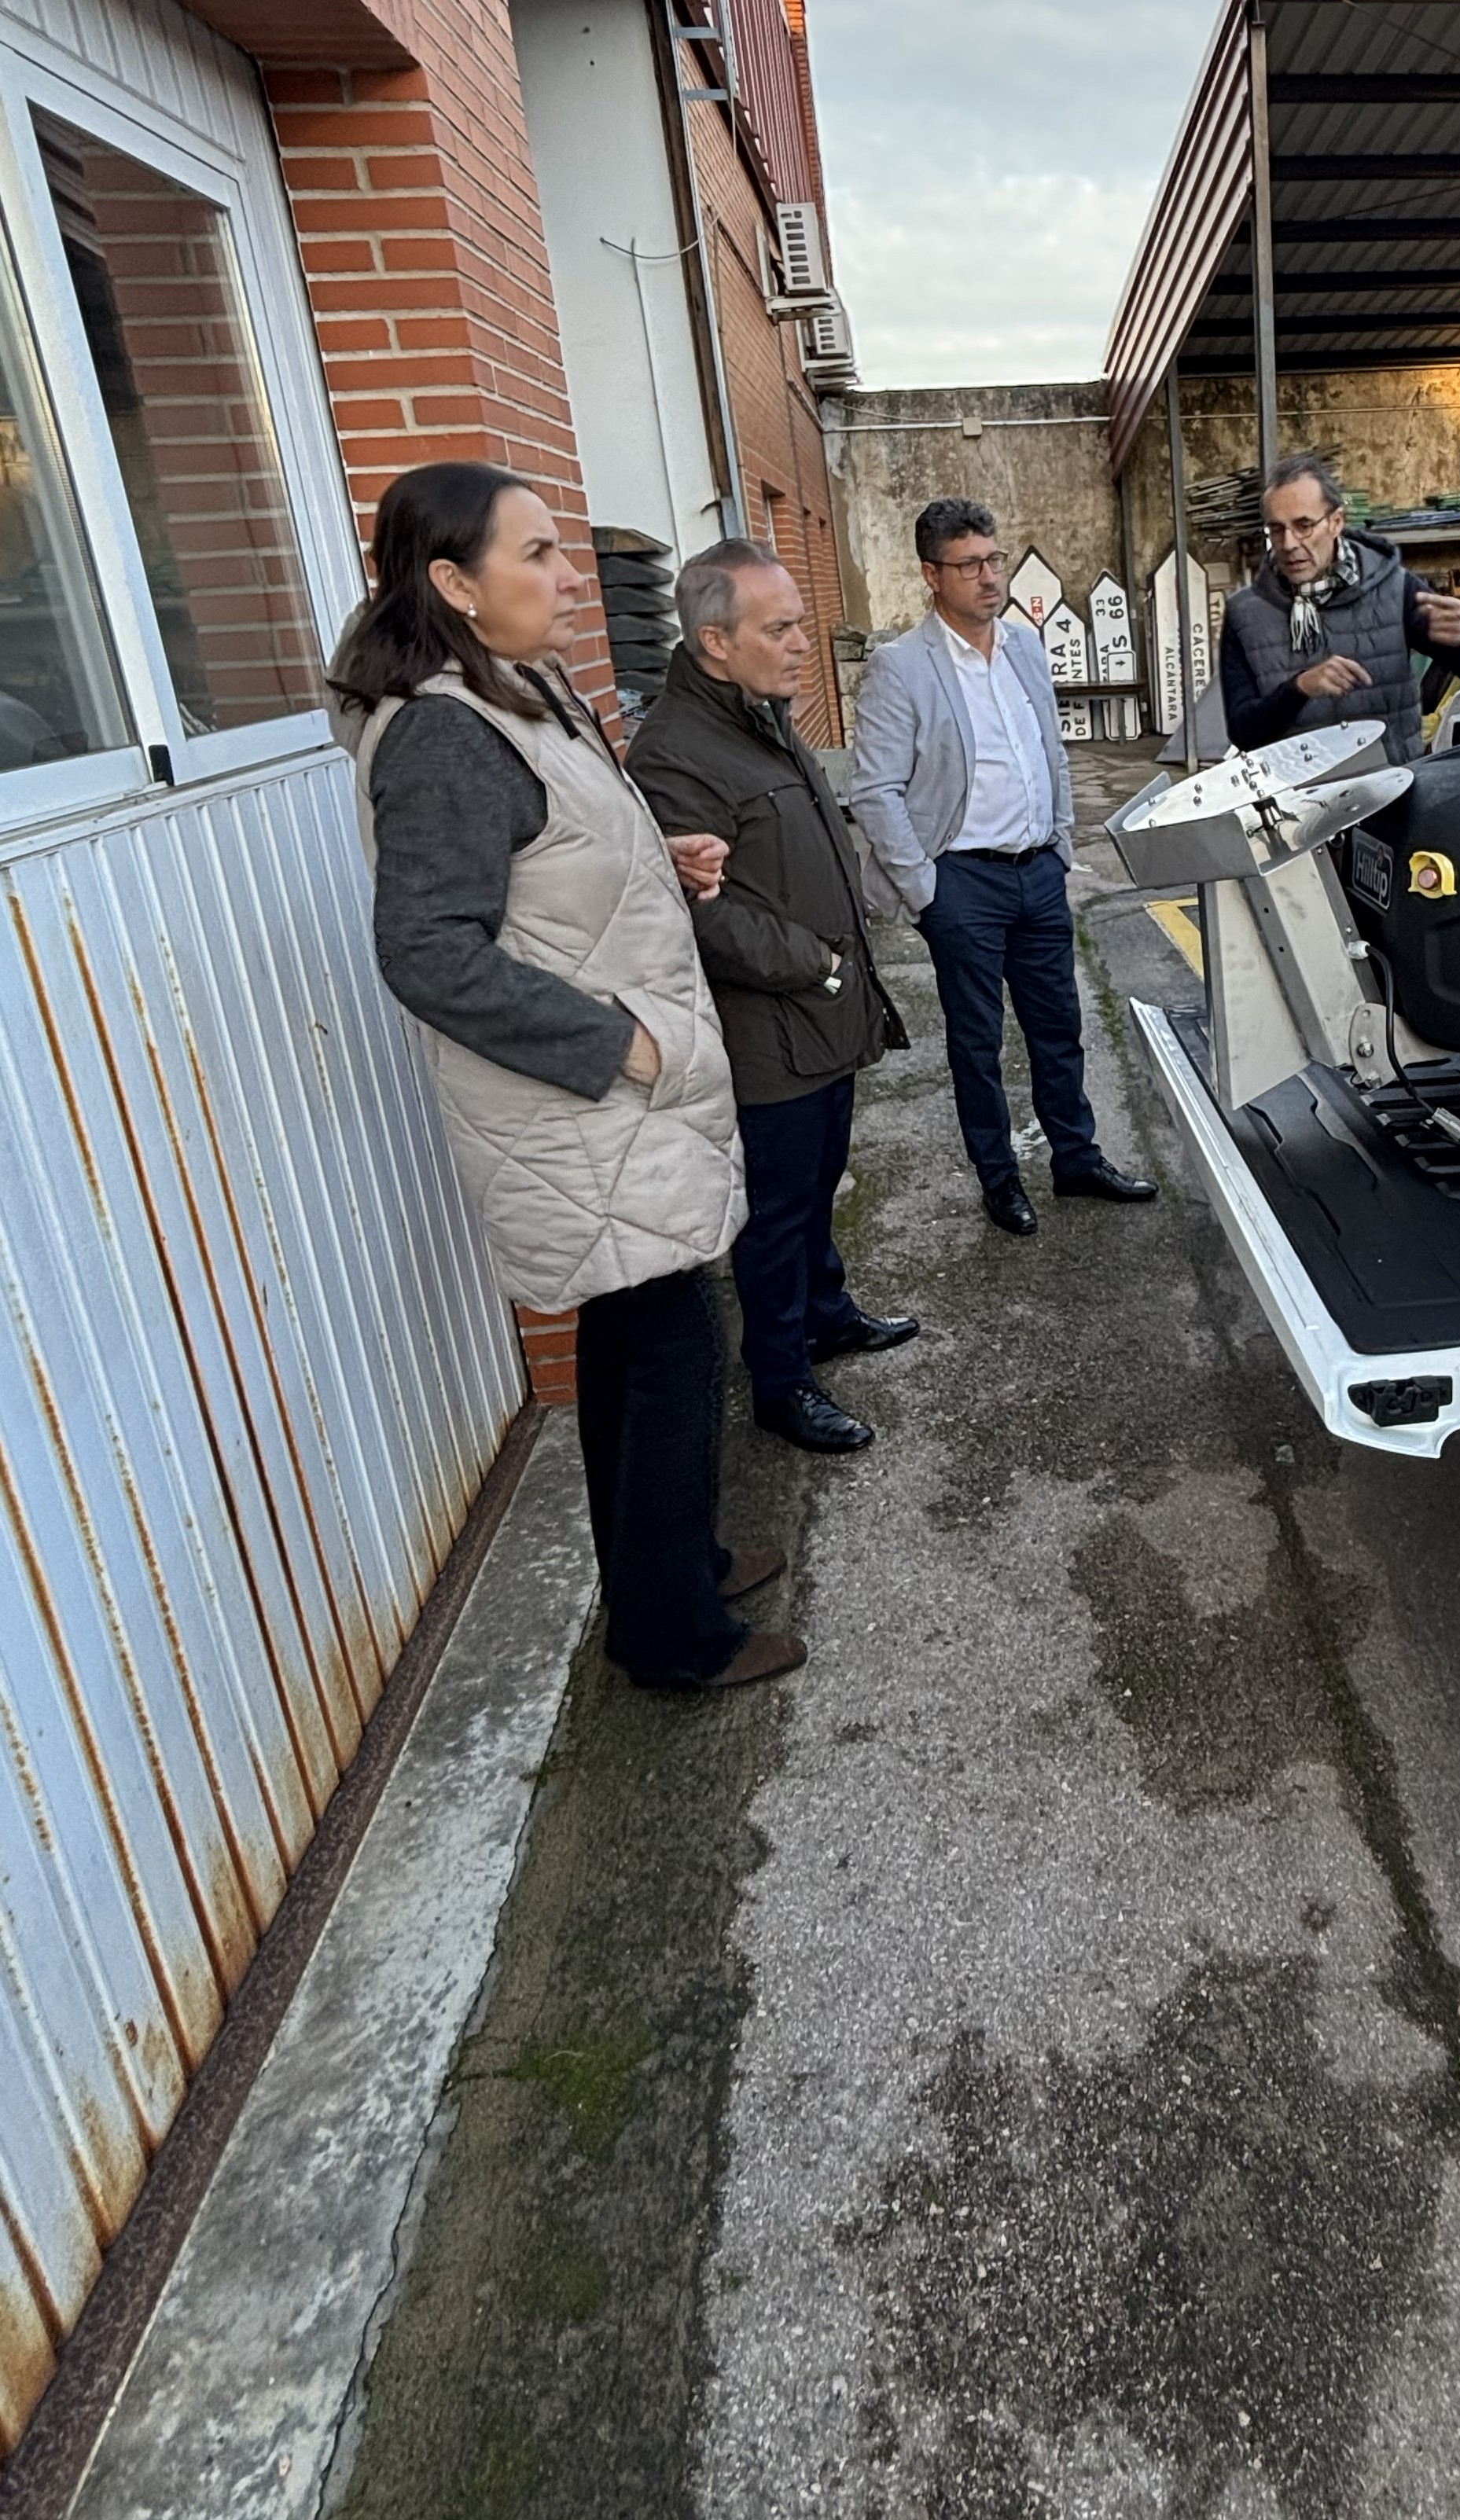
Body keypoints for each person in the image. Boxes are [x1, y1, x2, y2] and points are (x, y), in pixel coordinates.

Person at [331, 461, 800, 1693]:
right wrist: (618, 1045)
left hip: (612, 1112)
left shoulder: (518, 689)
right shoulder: (444, 733)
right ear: (455, 584)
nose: (569, 575)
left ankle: (675, 1571)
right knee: (671, 1353)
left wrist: (659, 858)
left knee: (637, 1346)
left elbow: (553, 864)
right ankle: (673, 1637)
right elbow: (428, 951)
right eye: (535, 553)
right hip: (587, 1106)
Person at [626, 538, 914, 1458]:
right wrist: (814, 963)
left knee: (819, 1181)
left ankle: (827, 1314)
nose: (800, 644)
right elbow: (695, 910)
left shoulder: (759, 715)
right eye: (779, 628)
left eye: (799, 624)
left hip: (822, 1014)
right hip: (770, 1029)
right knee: (778, 1213)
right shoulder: (677, 752)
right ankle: (782, 1384)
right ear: (716, 641)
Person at [849, 497, 1156, 1236]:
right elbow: (875, 791)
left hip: (1038, 873)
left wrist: (1061, 842)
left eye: (995, 560)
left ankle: (1076, 1159)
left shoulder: (1023, 647)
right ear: (932, 575)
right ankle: (999, 1179)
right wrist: (925, 889)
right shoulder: (901, 668)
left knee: (1060, 1026)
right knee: (977, 1041)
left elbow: (1051, 752)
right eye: (970, 566)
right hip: (962, 884)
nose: (991, 577)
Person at [1219, 450, 1460, 768]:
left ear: (1336, 522)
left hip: (1392, 785)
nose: (1289, 544)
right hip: (1299, 793)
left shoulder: (1396, 589)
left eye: (1304, 525)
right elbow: (1243, 733)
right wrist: (1299, 689)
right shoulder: (1245, 615)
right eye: (1277, 529)